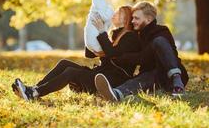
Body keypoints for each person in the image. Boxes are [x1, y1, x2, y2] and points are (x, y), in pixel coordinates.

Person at [12, 6, 141, 101]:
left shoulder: (130, 37)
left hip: (110, 80)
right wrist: (91, 33)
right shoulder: (115, 34)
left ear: (126, 19)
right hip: (100, 73)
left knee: (71, 72)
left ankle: (34, 93)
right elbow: (90, 55)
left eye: (119, 13)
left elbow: (112, 54)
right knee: (64, 63)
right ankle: (33, 89)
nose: (115, 14)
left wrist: (102, 32)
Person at [95, 1, 189, 101]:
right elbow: (138, 57)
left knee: (159, 41)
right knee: (144, 78)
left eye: (136, 18)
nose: (132, 21)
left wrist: (123, 57)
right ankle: (116, 94)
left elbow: (143, 57)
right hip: (155, 77)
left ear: (148, 19)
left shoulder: (161, 31)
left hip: (170, 72)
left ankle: (177, 80)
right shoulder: (138, 35)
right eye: (133, 18)